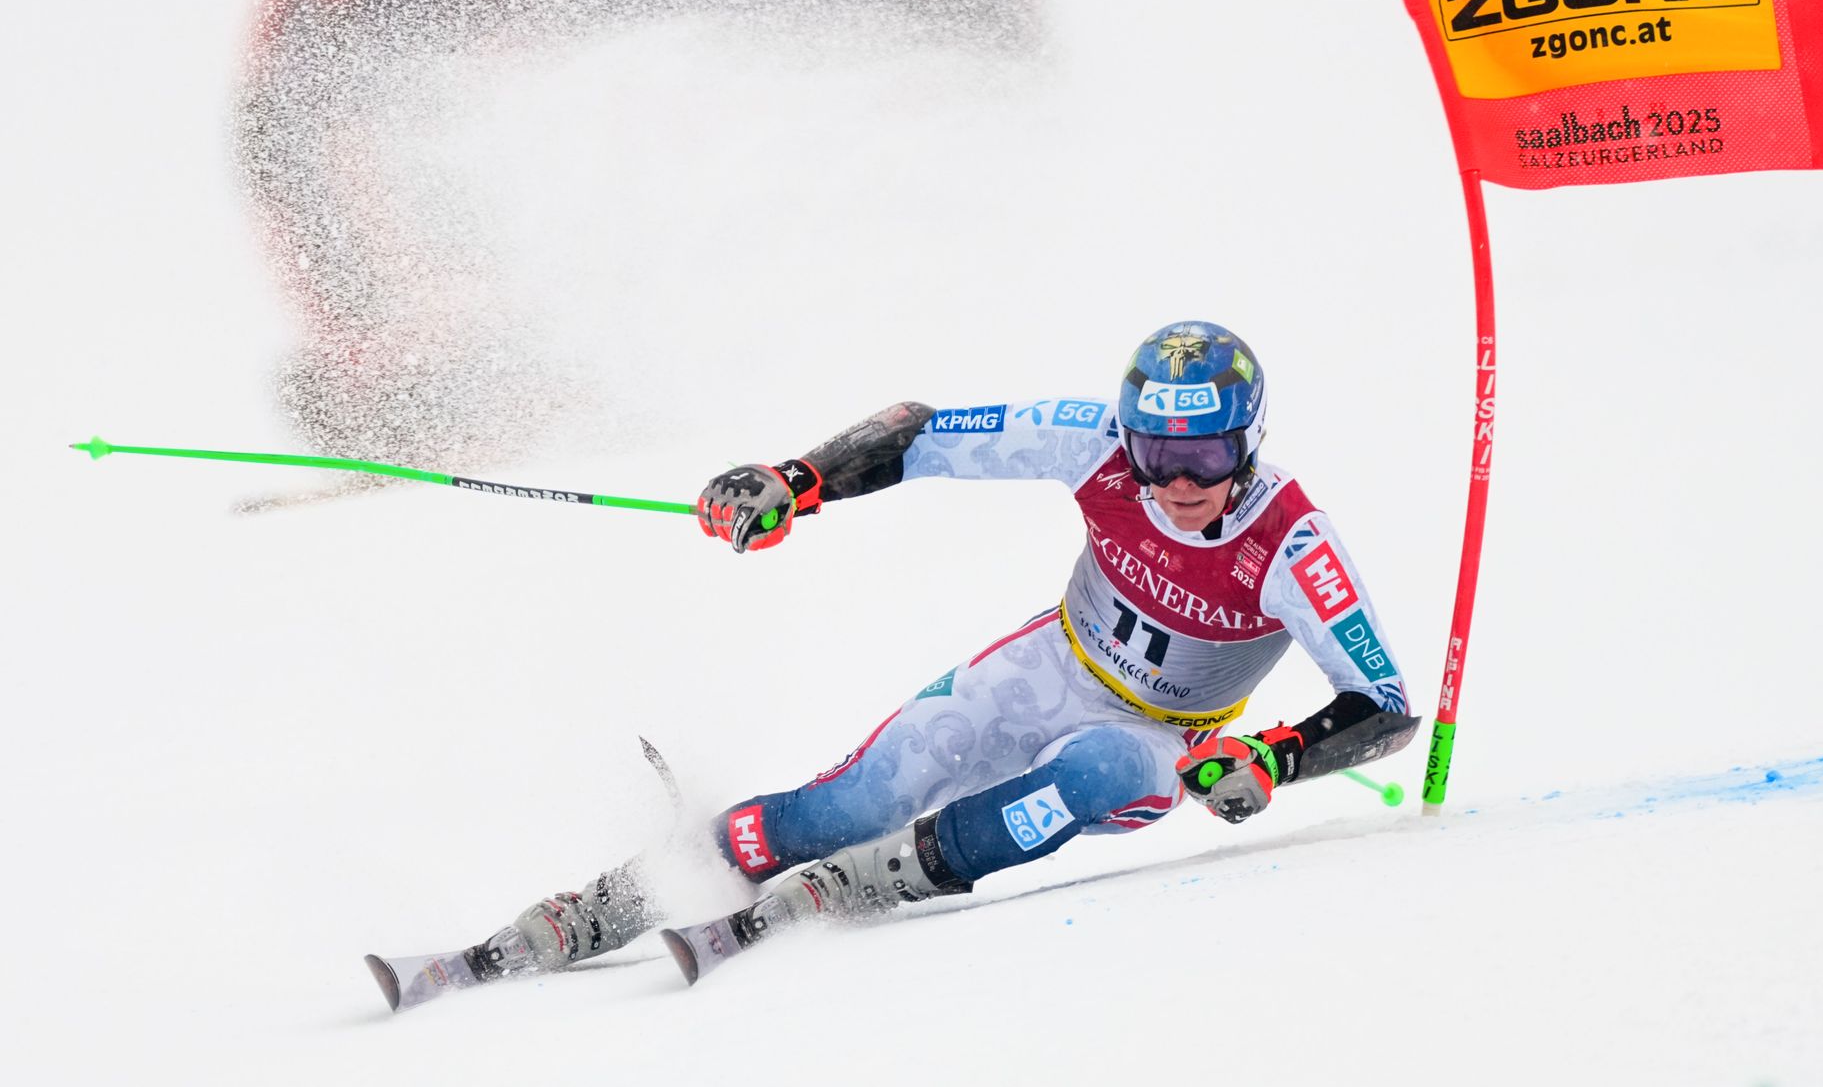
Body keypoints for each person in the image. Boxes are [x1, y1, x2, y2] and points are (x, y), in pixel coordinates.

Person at [366, 321, 1417, 1008]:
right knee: (865, 792)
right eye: (1156, 455)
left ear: (1247, 440)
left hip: (1161, 737)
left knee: (1093, 773)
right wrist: (798, 476)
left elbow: (1383, 703)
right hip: (1048, 662)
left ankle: (864, 882)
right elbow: (920, 433)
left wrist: (1271, 760)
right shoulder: (1091, 439)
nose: (1178, 483)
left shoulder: (1290, 544)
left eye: (1204, 457)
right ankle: (638, 886)